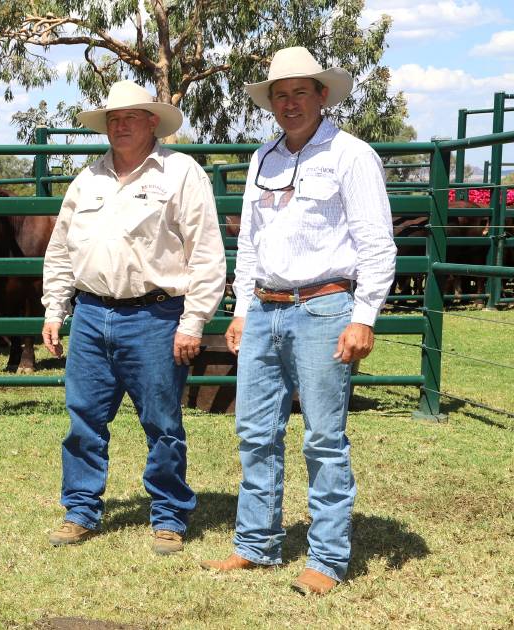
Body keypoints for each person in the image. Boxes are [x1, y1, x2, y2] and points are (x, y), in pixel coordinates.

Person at [200, 47, 396, 595]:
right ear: (271, 103)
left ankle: (328, 559)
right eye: (279, 95)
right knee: (254, 431)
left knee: (324, 438)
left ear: (322, 96)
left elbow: (376, 243)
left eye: (299, 92)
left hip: (325, 307)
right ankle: (255, 545)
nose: (289, 103)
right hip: (265, 307)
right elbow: (250, 244)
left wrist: (364, 316)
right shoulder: (264, 158)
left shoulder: (352, 156)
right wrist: (240, 310)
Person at [40, 81, 226, 555]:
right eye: (112, 119)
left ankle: (168, 514)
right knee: (83, 418)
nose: (119, 125)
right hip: (89, 313)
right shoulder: (87, 180)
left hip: (155, 314)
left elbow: (205, 252)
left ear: (152, 122)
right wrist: (54, 307)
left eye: (130, 117)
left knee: (162, 421)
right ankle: (80, 509)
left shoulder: (181, 174)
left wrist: (193, 321)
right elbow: (61, 248)